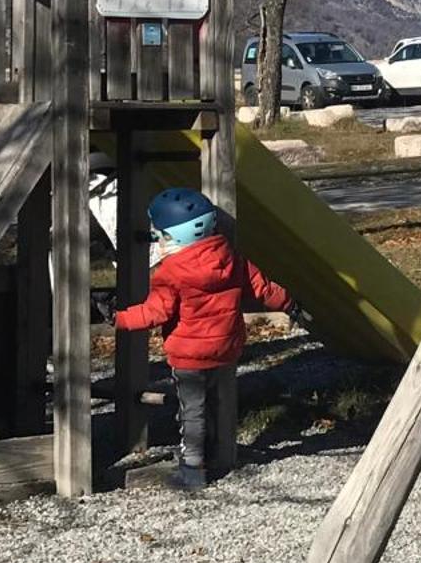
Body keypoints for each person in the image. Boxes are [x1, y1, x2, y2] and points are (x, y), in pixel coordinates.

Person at [113, 187, 294, 489]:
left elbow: (154, 312)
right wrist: (290, 303)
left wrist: (119, 319)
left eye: (159, 235)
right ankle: (221, 453)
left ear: (173, 237)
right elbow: (263, 289)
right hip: (225, 347)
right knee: (218, 400)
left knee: (193, 409)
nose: (157, 240)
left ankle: (193, 469)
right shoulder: (232, 259)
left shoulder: (170, 272)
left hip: (189, 354)